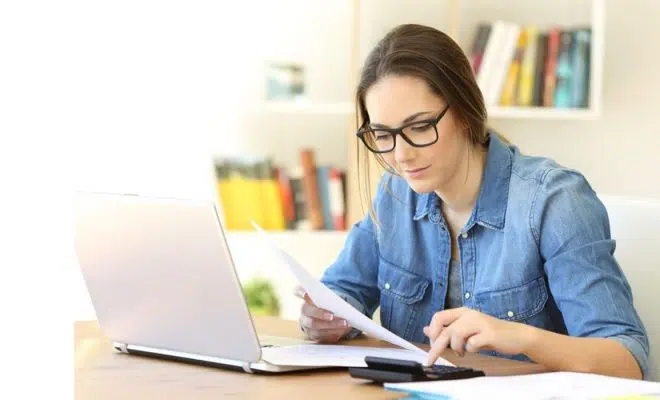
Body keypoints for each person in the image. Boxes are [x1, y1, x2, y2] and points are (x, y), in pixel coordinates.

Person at [295, 23, 649, 380]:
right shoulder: (395, 194)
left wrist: (521, 338)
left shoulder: (553, 202)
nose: (401, 155)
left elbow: (627, 362)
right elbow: (344, 293)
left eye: (419, 127)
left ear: (465, 110)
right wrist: (325, 319)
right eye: (383, 135)